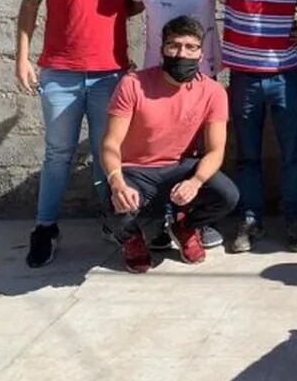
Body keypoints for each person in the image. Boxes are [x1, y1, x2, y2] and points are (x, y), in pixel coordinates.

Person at [16, 0, 141, 268]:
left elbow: (138, 3)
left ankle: (115, 224)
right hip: (59, 74)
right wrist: (22, 57)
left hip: (109, 74)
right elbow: (30, 6)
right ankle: (45, 228)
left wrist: (107, 20)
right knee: (58, 154)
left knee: (110, 156)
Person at [100, 16, 239, 273]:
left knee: (227, 195)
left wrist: (195, 182)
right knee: (115, 205)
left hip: (181, 167)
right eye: (174, 45)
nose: (181, 53)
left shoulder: (213, 91)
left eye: (190, 47)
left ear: (201, 53)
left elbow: (216, 150)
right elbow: (110, 143)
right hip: (136, 171)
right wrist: (117, 182)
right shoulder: (133, 84)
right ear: (162, 49)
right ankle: (132, 238)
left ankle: (185, 227)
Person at [215, 0, 297, 254]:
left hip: (285, 74)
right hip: (243, 76)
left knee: (292, 155)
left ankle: (294, 219)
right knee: (248, 155)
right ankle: (250, 219)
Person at [133, 0, 228, 251]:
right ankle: (158, 221)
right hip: (156, 76)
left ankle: (196, 223)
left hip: (202, 76)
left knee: (203, 149)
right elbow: (130, 7)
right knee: (160, 150)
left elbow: (240, 8)